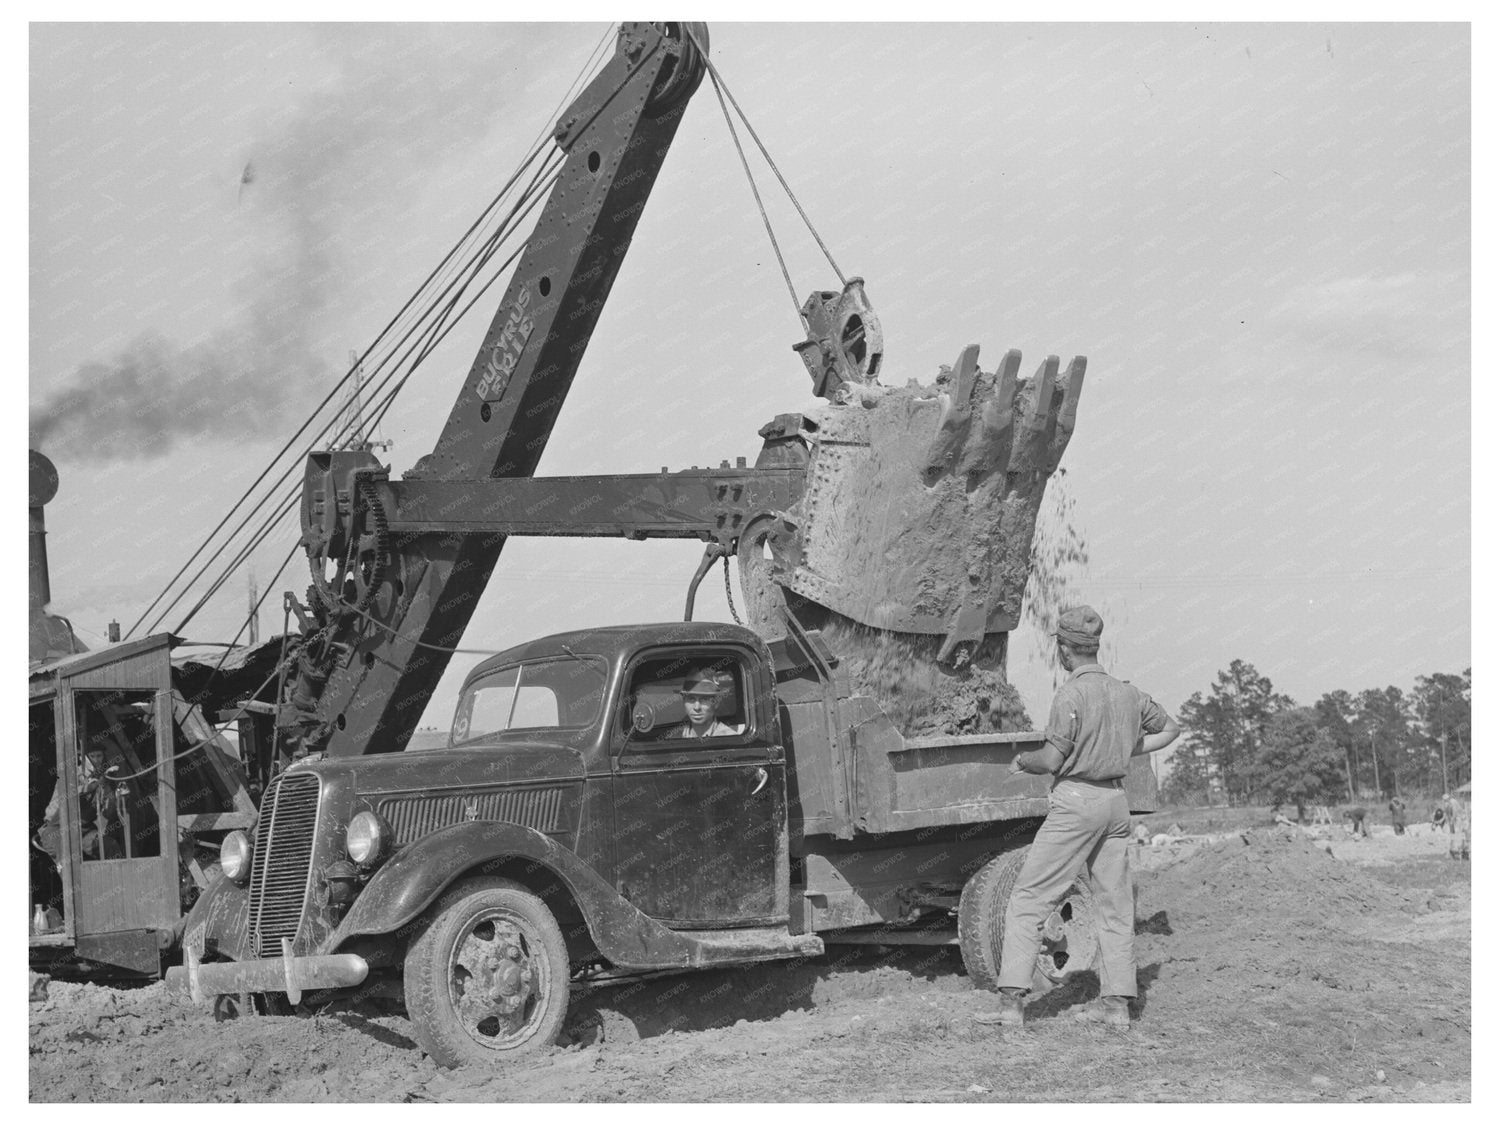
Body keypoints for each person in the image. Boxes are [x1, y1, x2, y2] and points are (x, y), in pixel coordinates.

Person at [974, 606, 1180, 1030]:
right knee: (1115, 906)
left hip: (1076, 804)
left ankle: (1011, 1006)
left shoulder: (1070, 694)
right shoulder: (1127, 693)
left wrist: (1023, 762)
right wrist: (1126, 749)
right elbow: (1171, 729)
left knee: (1030, 898)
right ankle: (1117, 1006)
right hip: (1114, 805)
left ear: (1065, 651)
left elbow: (1051, 759)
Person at [671, 670, 744, 739]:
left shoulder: (730, 738)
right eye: (691, 699)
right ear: (684, 702)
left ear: (716, 703)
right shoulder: (673, 738)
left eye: (704, 699)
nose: (697, 707)